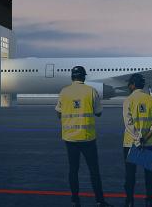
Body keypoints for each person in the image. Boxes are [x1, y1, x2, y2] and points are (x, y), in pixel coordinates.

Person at [56, 65, 111, 207]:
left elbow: (58, 113)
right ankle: (100, 201)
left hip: (70, 138)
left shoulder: (64, 92)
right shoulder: (91, 91)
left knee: (73, 170)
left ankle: (75, 200)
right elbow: (99, 112)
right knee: (94, 171)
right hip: (88, 138)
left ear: (72, 77)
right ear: (84, 77)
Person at [122, 73, 152, 207]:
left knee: (130, 175)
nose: (128, 86)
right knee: (149, 174)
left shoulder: (128, 100)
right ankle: (149, 200)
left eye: (129, 84)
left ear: (133, 85)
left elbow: (129, 124)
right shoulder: (151, 100)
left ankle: (129, 201)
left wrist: (137, 140)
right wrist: (146, 137)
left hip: (131, 144)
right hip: (148, 143)